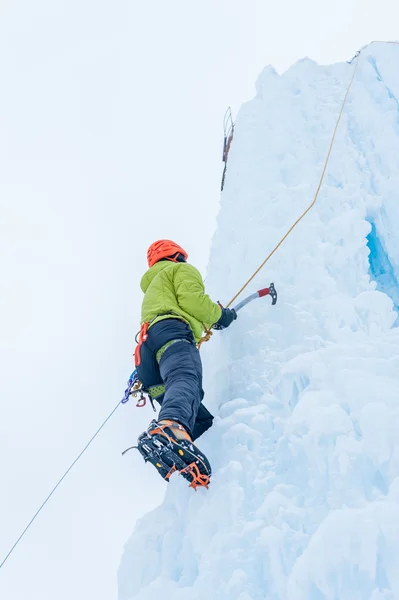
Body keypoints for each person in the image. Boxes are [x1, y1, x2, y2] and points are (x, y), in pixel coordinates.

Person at [134, 239, 237, 486]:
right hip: (171, 334)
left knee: (199, 418)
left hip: (148, 357)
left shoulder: (154, 287)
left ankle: (179, 454)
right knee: (185, 378)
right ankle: (170, 428)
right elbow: (192, 299)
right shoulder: (179, 269)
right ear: (177, 255)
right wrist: (221, 316)